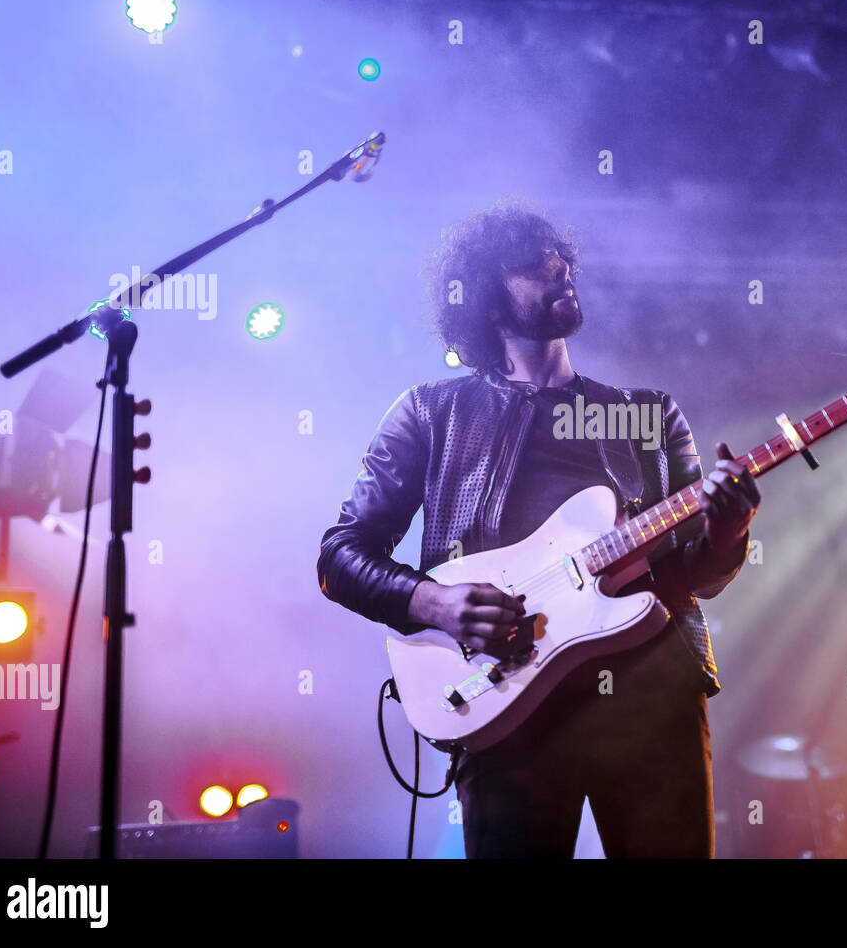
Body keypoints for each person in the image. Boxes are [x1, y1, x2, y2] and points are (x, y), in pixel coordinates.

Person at [317, 202, 758, 857]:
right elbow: (340, 556)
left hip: (648, 694)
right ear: (487, 297)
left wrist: (730, 529)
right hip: (504, 704)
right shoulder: (429, 414)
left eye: (564, 262)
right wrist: (434, 602)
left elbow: (695, 572)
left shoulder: (647, 416)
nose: (561, 273)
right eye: (534, 266)